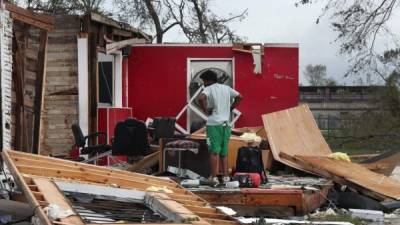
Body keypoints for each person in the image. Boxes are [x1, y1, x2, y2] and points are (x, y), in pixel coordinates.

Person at [198, 70, 243, 185]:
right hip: (226, 125)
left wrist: (205, 110)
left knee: (214, 152)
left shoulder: (209, 88)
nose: (203, 84)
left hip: (214, 124)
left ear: (208, 80)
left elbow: (201, 98)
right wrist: (230, 108)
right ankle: (226, 178)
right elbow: (240, 97)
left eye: (204, 81)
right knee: (224, 152)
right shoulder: (226, 88)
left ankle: (214, 178)